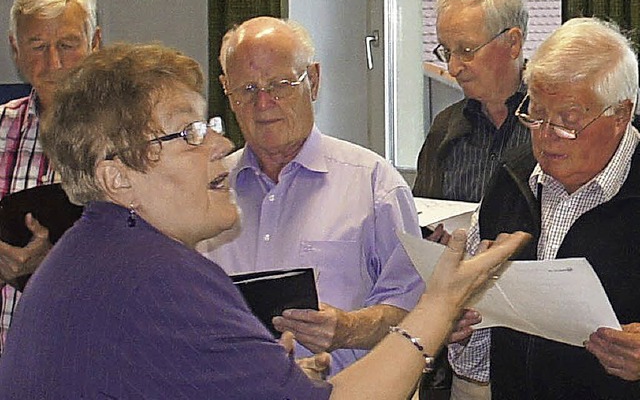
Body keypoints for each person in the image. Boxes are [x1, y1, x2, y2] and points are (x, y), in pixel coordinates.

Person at [0, 42, 530, 399]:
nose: (223, 143)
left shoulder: (100, 253)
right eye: (187, 134)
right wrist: (440, 304)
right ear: (116, 177)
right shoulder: (159, 277)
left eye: (206, 125)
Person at [200, 16, 425, 374]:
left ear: (314, 80)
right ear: (226, 90)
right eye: (247, 90)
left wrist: (349, 329)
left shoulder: (374, 184)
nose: (263, 103)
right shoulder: (205, 189)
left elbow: (417, 311)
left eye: (280, 85)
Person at [449, 17, 640, 399]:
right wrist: (459, 328)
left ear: (620, 114)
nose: (547, 136)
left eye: (568, 122)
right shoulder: (510, 182)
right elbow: (476, 364)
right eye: (536, 116)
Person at [0, 0, 101, 355]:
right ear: (15, 49)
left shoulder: (131, 138)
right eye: (38, 46)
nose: (54, 62)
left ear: (96, 42)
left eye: (68, 44)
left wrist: (55, 267)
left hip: (86, 360)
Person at [413, 0, 530, 243]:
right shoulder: (446, 127)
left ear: (513, 43)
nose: (453, 68)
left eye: (466, 50)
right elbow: (421, 218)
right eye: (446, 52)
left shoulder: (552, 123)